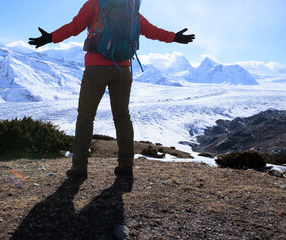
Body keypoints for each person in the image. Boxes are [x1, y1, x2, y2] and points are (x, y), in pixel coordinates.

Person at [29, 0, 194, 180]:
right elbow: (150, 30)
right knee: (122, 117)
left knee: (86, 116)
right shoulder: (130, 7)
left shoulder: (95, 3)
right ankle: (125, 166)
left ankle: (79, 169)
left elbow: (74, 27)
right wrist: (174, 37)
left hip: (96, 68)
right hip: (123, 68)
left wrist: (50, 37)